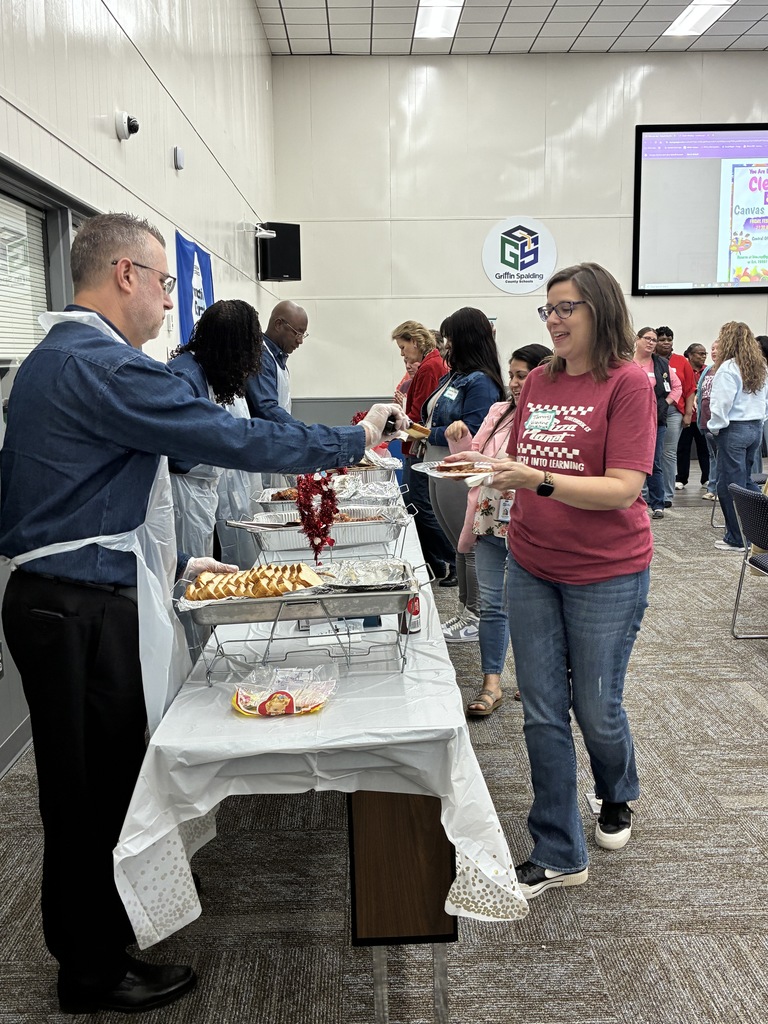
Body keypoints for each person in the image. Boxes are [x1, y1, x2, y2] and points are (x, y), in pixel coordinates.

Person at [0, 213, 405, 1015]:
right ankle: (90, 968)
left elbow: (75, 491)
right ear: (124, 274)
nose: (165, 299)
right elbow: (231, 438)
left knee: (91, 782)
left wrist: (179, 561)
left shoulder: (59, 359)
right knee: (92, 790)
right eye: (160, 282)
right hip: (79, 607)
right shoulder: (103, 364)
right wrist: (350, 439)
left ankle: (96, 944)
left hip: (69, 592)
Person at [445, 262, 655, 900]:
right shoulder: (538, 380)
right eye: (548, 310)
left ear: (600, 312)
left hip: (607, 571)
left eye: (567, 308)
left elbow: (623, 488)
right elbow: (529, 460)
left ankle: (618, 789)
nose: (555, 320)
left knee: (597, 707)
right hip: (533, 560)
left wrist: (536, 480)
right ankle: (559, 847)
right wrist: (486, 461)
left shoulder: (628, 384)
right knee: (540, 709)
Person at [445, 343, 551, 716]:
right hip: (490, 515)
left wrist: (489, 462)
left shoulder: (551, 416)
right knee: (492, 604)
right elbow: (475, 457)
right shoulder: (499, 411)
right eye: (512, 375)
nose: (515, 382)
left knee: (532, 607)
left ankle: (534, 679)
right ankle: (492, 683)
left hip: (532, 520)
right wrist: (459, 441)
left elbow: (533, 466)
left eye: (522, 374)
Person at [424, 308, 506, 642]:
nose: (444, 345)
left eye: (449, 338)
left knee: (470, 544)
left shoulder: (481, 382)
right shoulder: (452, 377)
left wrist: (424, 434)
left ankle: (476, 614)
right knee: (457, 544)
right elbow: (431, 417)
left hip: (461, 469)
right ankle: (463, 612)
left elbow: (473, 433)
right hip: (438, 466)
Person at [168, 299, 263, 570]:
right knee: (188, 584)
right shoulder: (185, 377)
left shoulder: (200, 370)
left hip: (198, 489)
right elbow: (178, 451)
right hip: (184, 493)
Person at [391, 320, 455, 585]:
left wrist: (398, 419)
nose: (403, 354)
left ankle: (450, 559)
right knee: (417, 504)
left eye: (403, 347)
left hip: (420, 445)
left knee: (419, 505)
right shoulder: (431, 364)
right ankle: (436, 561)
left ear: (415, 343)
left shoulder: (430, 367)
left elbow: (420, 414)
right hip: (417, 443)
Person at [708, 321, 768, 551]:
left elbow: (721, 403)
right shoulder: (760, 366)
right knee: (746, 482)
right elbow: (765, 401)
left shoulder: (728, 368)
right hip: (754, 428)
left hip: (733, 429)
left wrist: (715, 427)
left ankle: (737, 539)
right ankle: (755, 528)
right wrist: (759, 421)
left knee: (729, 486)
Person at [632, 327, 679, 519]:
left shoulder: (661, 363)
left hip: (656, 420)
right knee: (631, 461)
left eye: (654, 339)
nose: (651, 342)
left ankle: (658, 504)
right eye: (647, 338)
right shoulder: (626, 362)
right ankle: (633, 501)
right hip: (631, 420)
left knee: (654, 462)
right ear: (637, 340)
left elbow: (676, 387)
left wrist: (664, 404)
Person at [244, 299, 307, 423]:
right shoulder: (261, 356)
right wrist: (302, 432)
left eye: (303, 335)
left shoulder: (277, 358)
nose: (300, 341)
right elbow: (267, 408)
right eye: (297, 333)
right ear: (278, 324)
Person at [655, 326, 695, 507]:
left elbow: (689, 389)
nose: (666, 342)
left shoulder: (681, 361)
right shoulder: (649, 359)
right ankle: (649, 493)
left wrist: (687, 414)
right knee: (651, 453)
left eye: (669, 339)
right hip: (652, 411)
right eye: (662, 339)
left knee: (668, 453)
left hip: (673, 412)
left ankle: (667, 495)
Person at [676, 343, 710, 490]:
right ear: (690, 355)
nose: (703, 356)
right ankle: (682, 478)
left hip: (703, 417)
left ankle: (707, 478)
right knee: (683, 448)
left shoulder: (708, 371)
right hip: (687, 416)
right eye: (699, 353)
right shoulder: (684, 369)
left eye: (704, 353)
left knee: (705, 448)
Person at [696, 340, 719, 501]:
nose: (714, 351)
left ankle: (720, 489)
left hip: (719, 421)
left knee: (721, 456)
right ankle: (712, 487)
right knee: (712, 456)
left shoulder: (728, 369)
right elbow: (700, 391)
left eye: (718, 348)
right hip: (706, 419)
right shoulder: (708, 370)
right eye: (713, 348)